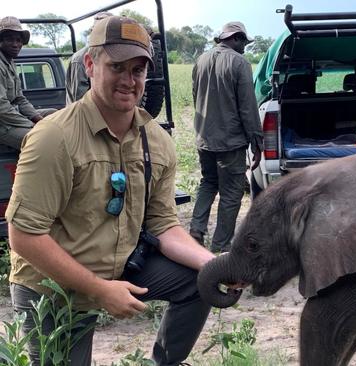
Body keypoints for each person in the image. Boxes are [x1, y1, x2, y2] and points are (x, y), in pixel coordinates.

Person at [7, 16, 214, 365]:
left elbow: (163, 224)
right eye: (116, 66)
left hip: (117, 265)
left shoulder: (157, 141)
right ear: (90, 64)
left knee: (201, 282)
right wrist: (101, 290)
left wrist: (215, 265)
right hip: (52, 286)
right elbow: (24, 236)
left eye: (138, 70)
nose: (128, 80)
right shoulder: (54, 137)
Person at [190, 21, 263, 253]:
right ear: (237, 38)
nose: (245, 48)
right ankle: (220, 246)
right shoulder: (240, 63)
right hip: (230, 142)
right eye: (244, 42)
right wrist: (257, 141)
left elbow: (195, 97)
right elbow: (248, 108)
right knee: (231, 193)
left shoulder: (200, 60)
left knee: (208, 182)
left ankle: (196, 229)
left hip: (204, 137)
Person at [0, 16, 48, 150]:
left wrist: (38, 119)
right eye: (9, 39)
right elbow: (2, 108)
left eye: (18, 40)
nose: (15, 44)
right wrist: (32, 125)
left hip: (12, 116)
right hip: (3, 124)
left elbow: (19, 98)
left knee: (54, 115)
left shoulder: (10, 61)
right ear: (1, 41)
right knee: (44, 138)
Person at [65, 11, 112, 104]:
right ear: (93, 32)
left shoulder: (112, 55)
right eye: (101, 31)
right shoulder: (79, 59)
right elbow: (80, 101)